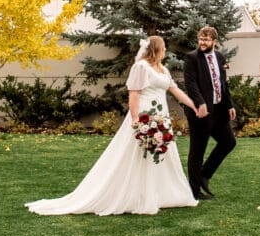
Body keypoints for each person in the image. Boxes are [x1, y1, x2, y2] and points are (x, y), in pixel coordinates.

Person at [25, 36, 199, 216]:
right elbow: (134, 94)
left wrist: (193, 105)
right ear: (156, 49)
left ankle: (160, 194)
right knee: (138, 154)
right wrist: (135, 119)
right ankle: (137, 196)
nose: (165, 51)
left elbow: (175, 90)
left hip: (162, 117)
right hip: (145, 116)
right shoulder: (141, 67)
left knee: (160, 154)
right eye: (163, 48)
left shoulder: (163, 69)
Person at [183, 25, 237, 200]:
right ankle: (194, 191)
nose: (202, 42)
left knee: (228, 142)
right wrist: (200, 103)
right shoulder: (192, 58)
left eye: (206, 39)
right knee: (197, 151)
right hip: (200, 112)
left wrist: (229, 105)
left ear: (214, 41)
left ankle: (205, 175)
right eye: (200, 39)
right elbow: (190, 84)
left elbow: (222, 84)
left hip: (218, 111)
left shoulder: (220, 57)